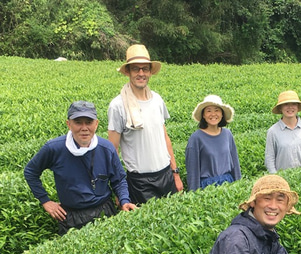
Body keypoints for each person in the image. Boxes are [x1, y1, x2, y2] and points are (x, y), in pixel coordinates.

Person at [24, 101, 137, 235]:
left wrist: (124, 200)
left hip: (105, 211)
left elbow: (118, 180)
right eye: (78, 122)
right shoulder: (54, 148)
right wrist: (45, 201)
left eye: (89, 122)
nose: (84, 128)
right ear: (69, 124)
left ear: (96, 124)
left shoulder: (106, 148)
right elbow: (30, 172)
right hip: (71, 216)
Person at [107, 44, 183, 204]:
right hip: (139, 182)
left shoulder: (157, 99)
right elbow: (112, 150)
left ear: (150, 72)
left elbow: (164, 137)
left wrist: (175, 173)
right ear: (128, 72)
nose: (141, 73)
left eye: (145, 69)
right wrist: (119, 190)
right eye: (136, 69)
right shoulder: (118, 105)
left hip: (165, 175)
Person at [185, 95, 242, 191]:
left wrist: (239, 185)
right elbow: (192, 171)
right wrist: (194, 194)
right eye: (208, 111)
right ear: (203, 115)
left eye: (216, 110)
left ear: (222, 114)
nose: (213, 114)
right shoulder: (196, 138)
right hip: (207, 187)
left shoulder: (227, 134)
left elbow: (235, 164)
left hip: (228, 184)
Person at [265, 90, 301, 173]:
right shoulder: (273, 131)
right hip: (283, 179)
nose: (290, 107)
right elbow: (269, 158)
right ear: (280, 108)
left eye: (293, 104)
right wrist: (277, 178)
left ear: (298, 107)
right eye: (286, 104)